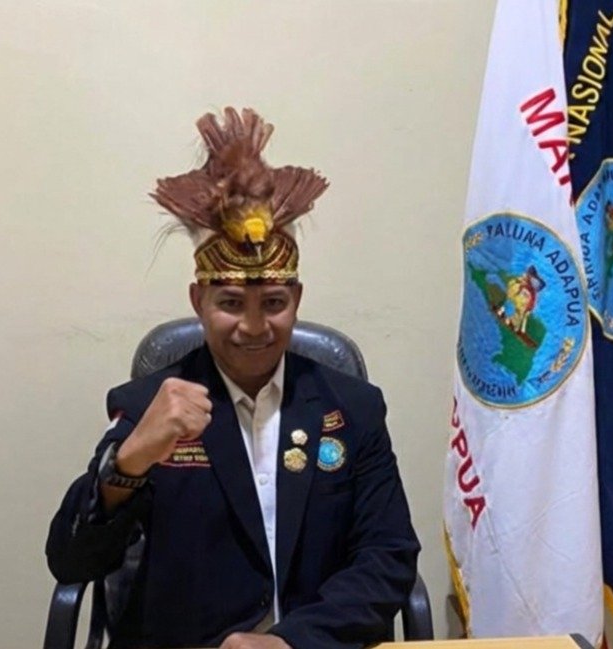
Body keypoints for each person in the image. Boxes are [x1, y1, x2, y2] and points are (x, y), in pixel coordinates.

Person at [46, 107, 419, 649]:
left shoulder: (352, 408)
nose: (253, 327)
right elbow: (71, 562)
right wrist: (127, 464)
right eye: (230, 303)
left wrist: (292, 640)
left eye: (273, 303)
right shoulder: (147, 404)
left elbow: (387, 556)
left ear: (296, 300)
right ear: (197, 300)